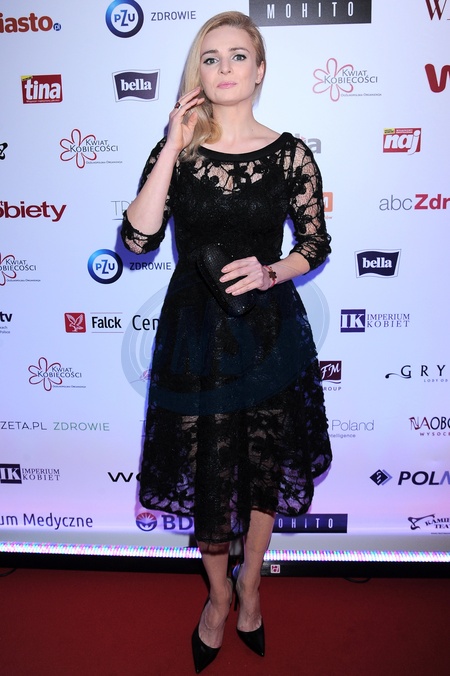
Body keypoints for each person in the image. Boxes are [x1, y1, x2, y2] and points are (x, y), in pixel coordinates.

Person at [121, 11, 332, 673]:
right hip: (195, 335)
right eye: (210, 58)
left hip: (267, 333)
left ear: (260, 69)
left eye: (238, 55)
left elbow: (315, 244)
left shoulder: (290, 153)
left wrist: (272, 271)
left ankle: (252, 583)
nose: (224, 68)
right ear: (199, 73)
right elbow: (137, 239)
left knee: (263, 464)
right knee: (207, 472)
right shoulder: (179, 151)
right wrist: (171, 146)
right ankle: (217, 597)